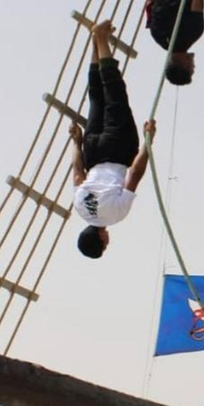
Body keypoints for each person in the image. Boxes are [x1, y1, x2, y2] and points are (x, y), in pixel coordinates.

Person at [69, 20, 157, 259]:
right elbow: (78, 173)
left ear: (100, 239)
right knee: (96, 96)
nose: (108, 242)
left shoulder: (115, 215)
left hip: (118, 150)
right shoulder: (79, 207)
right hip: (92, 151)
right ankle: (96, 42)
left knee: (115, 91)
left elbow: (134, 176)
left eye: (104, 245)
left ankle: (100, 38)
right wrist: (77, 143)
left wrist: (148, 143)